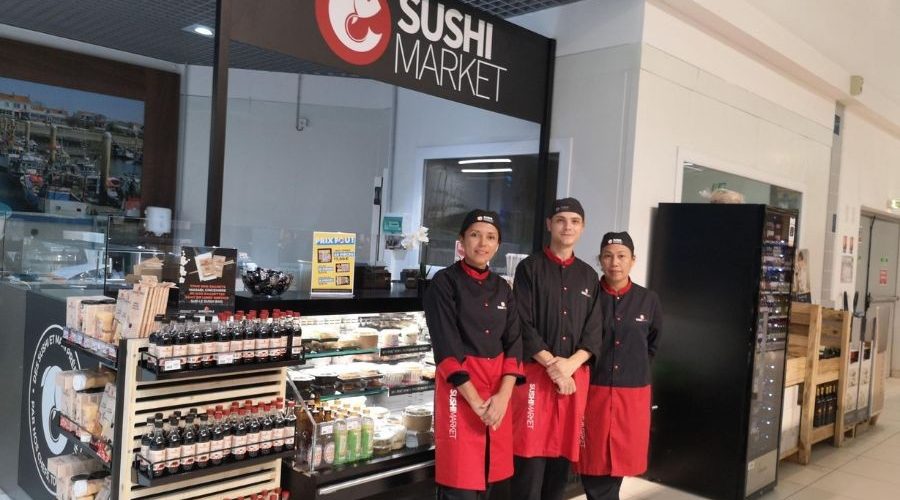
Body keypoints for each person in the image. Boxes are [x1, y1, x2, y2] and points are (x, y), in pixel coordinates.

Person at [424, 209, 526, 500]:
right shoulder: (444, 282)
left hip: (497, 394)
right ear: (462, 240)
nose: (483, 243)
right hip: (460, 394)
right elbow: (446, 346)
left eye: (491, 237)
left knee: (491, 479)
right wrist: (477, 403)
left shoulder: (503, 288)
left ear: (498, 245)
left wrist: (503, 397)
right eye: (475, 235)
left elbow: (514, 343)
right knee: (461, 485)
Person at [510, 198, 604, 500]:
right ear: (549, 224)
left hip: (573, 379)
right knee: (529, 463)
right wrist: (554, 366)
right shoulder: (529, 268)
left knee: (561, 464)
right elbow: (521, 323)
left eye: (575, 221)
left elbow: (594, 331)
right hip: (535, 377)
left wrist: (570, 366)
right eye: (561, 220)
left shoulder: (589, 276)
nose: (568, 227)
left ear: (582, 227)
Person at [575, 232, 663, 500]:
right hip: (594, 391)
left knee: (619, 464)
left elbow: (653, 344)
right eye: (608, 256)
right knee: (593, 462)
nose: (615, 262)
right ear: (600, 260)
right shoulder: (588, 296)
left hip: (632, 393)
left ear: (633, 260)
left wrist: (632, 367)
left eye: (622, 256)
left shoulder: (648, 299)